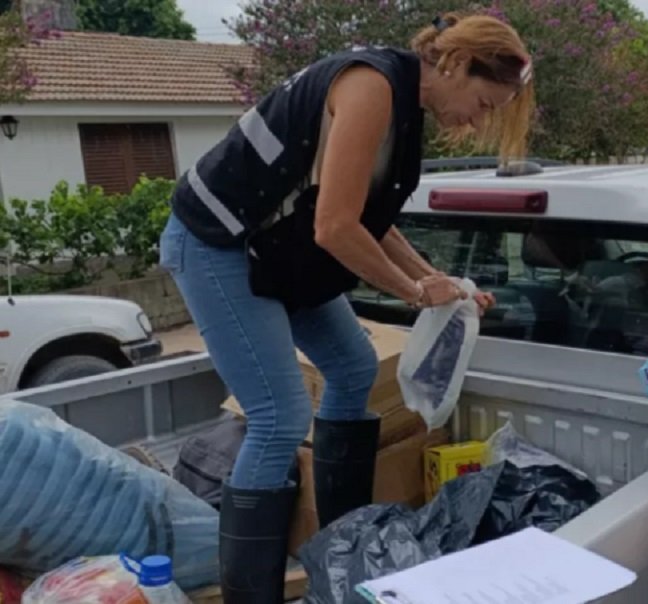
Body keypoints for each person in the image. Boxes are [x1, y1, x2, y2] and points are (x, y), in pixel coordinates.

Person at [158, 12, 534, 603]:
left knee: (355, 367)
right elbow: (335, 227)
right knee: (279, 417)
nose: (478, 120)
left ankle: (338, 555)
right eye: (485, 103)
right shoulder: (371, 87)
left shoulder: (405, 104)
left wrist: (435, 279)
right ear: (458, 64)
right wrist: (415, 292)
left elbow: (367, 218)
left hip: (274, 250)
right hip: (216, 243)